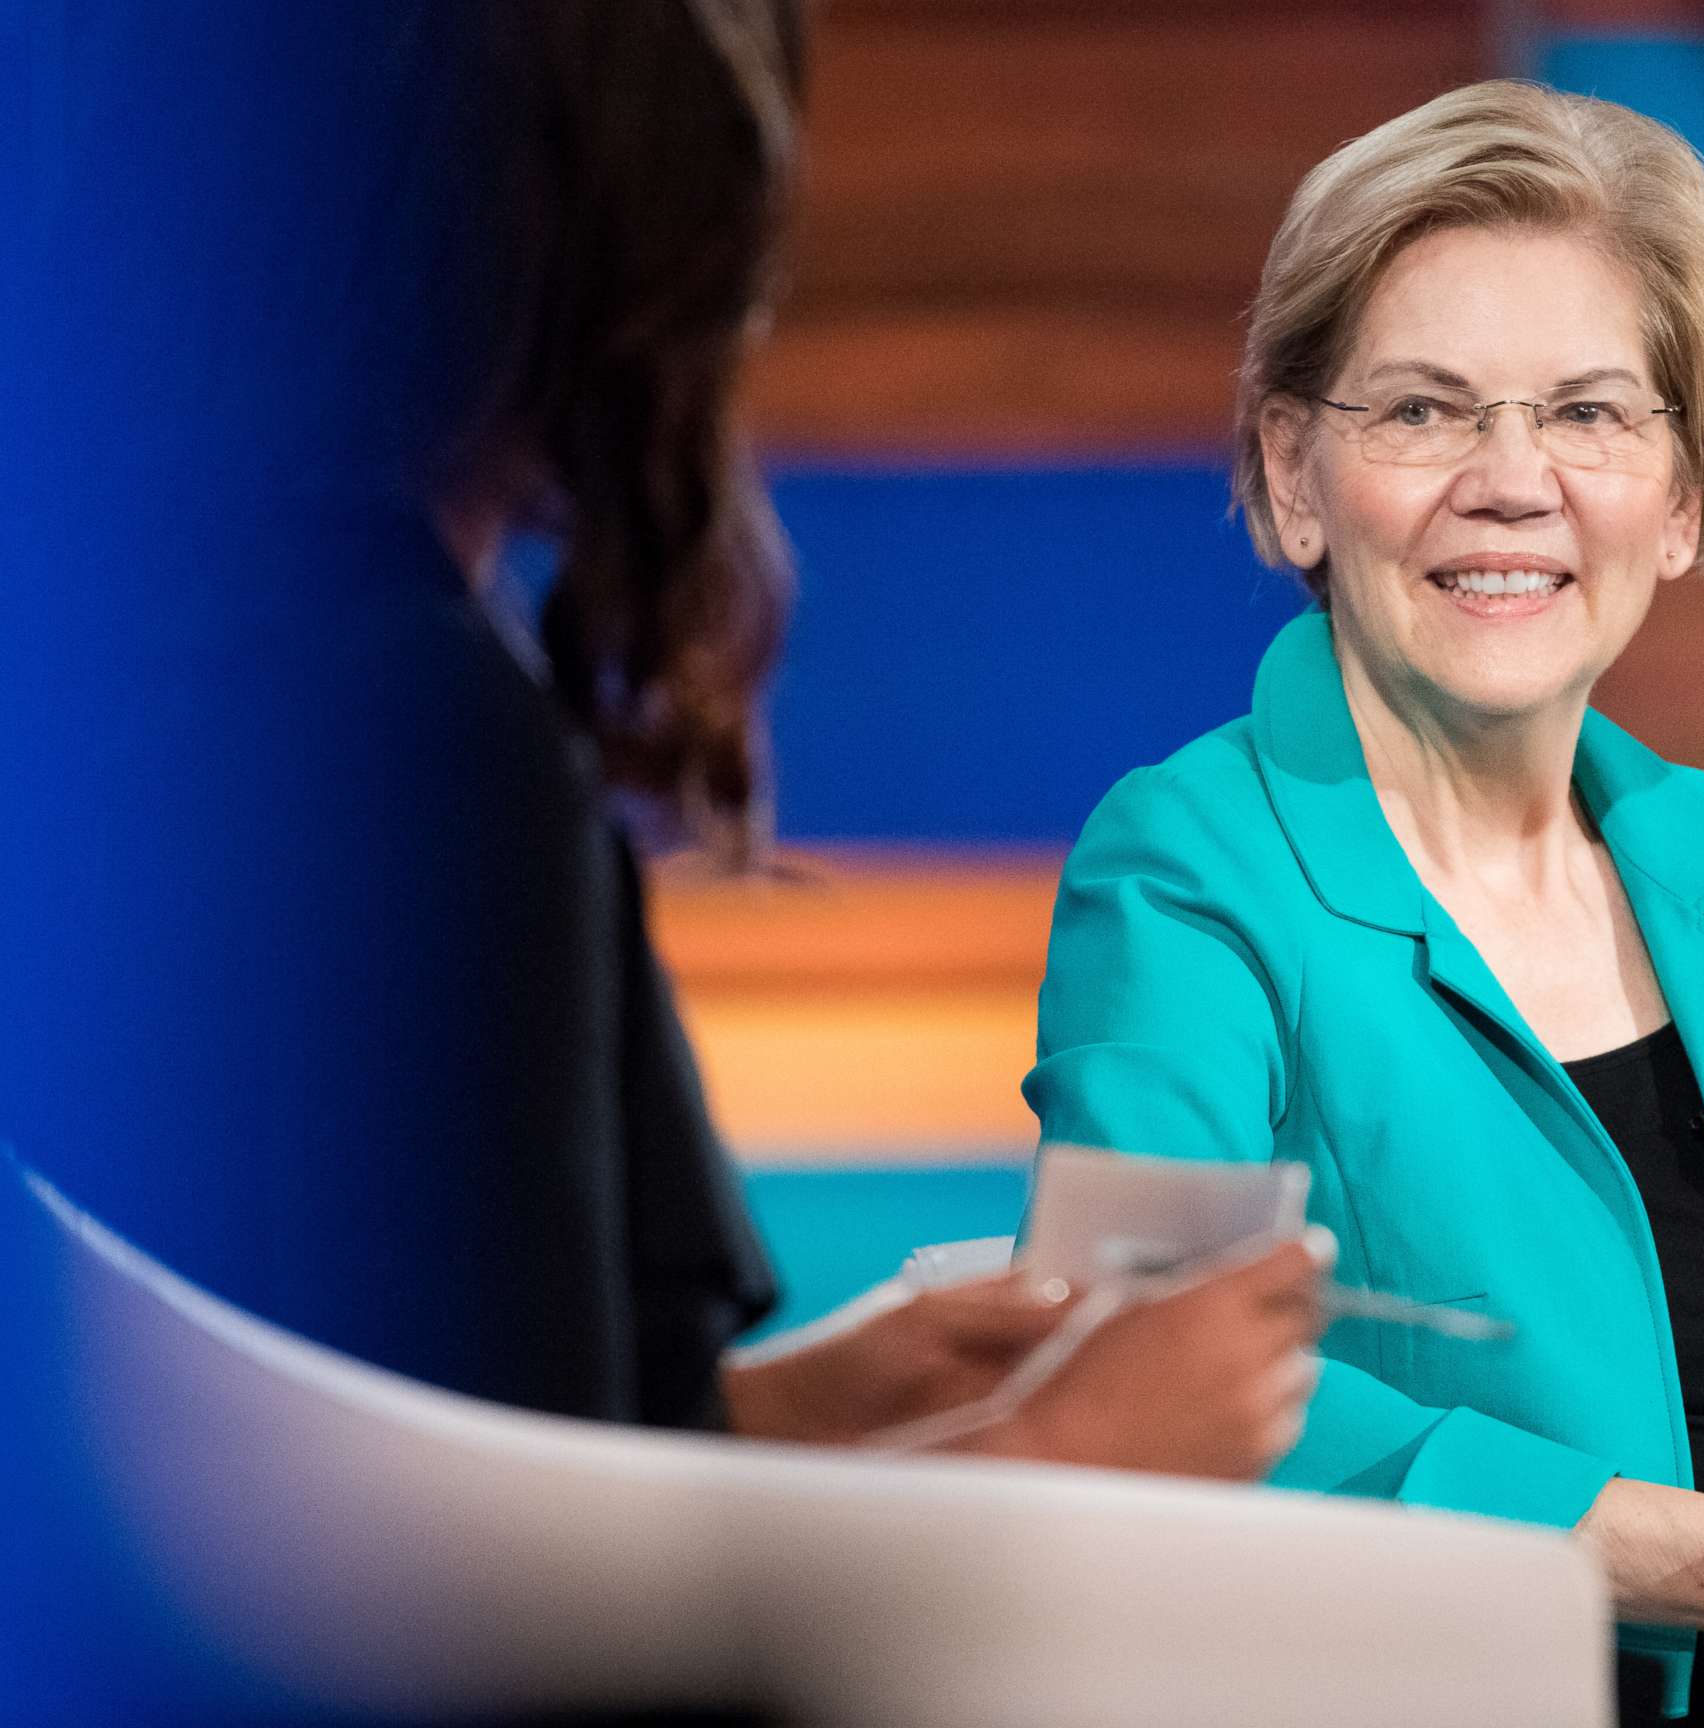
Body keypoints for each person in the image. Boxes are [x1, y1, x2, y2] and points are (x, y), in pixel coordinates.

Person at [0, 0, 1320, 1499]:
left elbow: (379, 1422)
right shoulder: (414, 746)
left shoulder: (137, 653)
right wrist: (1055, 1452)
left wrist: (795, 1409)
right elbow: (501, 1588)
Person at [1024, 81, 1704, 1723]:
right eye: (1424, 412)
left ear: (1687, 498)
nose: (1511, 484)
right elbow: (1153, 1383)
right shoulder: (1191, 866)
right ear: (1297, 473)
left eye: (1589, 414)